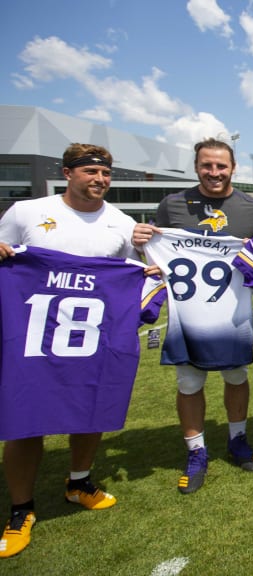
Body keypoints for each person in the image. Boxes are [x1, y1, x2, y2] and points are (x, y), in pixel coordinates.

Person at [0, 144, 136, 558]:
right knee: (25, 420)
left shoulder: (122, 223)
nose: (99, 179)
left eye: (106, 173)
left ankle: (79, 482)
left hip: (92, 336)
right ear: (68, 173)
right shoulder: (26, 212)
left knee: (90, 408)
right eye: (91, 171)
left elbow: (128, 274)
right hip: (33, 334)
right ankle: (21, 508)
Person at [131, 138, 253, 493]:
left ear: (233, 167)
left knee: (236, 376)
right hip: (187, 311)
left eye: (221, 166)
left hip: (233, 311)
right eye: (207, 165)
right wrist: (141, 240)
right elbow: (154, 251)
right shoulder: (172, 205)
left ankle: (237, 439)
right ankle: (196, 452)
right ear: (196, 167)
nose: (214, 173)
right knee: (189, 383)